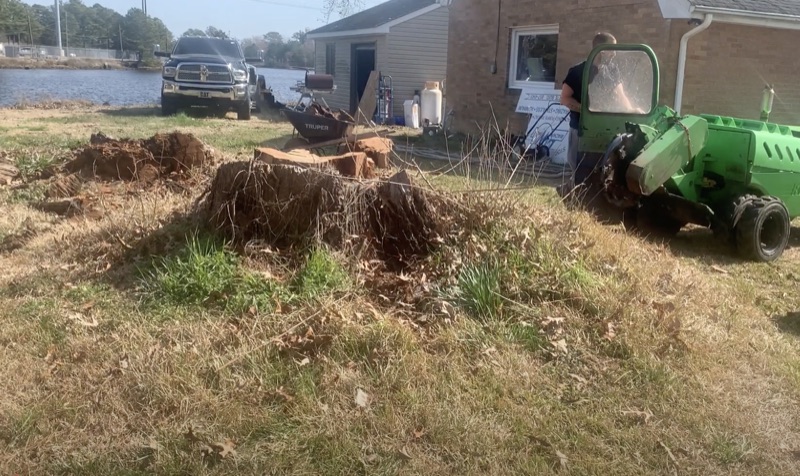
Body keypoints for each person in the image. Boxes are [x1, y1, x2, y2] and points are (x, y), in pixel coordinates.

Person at [558, 32, 637, 196]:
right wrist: (588, 111)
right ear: (601, 49)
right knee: (578, 168)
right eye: (612, 49)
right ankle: (570, 195)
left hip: (605, 128)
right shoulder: (578, 71)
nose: (614, 53)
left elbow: (621, 96)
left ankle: (590, 201)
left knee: (601, 169)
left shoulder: (612, 71)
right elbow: (564, 99)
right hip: (581, 129)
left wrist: (633, 111)